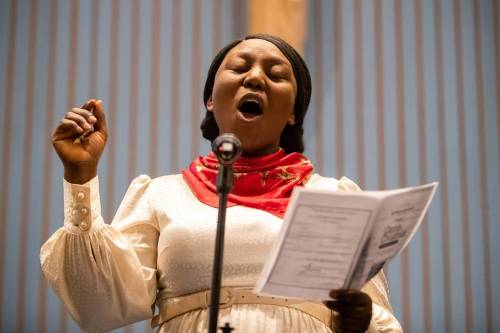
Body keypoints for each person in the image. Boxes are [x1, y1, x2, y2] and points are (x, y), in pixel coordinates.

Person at [41, 34, 402, 333]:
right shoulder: (162, 194)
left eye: (276, 74)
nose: (256, 78)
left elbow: (383, 325)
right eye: (240, 67)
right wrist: (80, 177)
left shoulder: (334, 198)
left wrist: (362, 321)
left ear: (294, 112)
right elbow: (99, 304)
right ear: (211, 100)